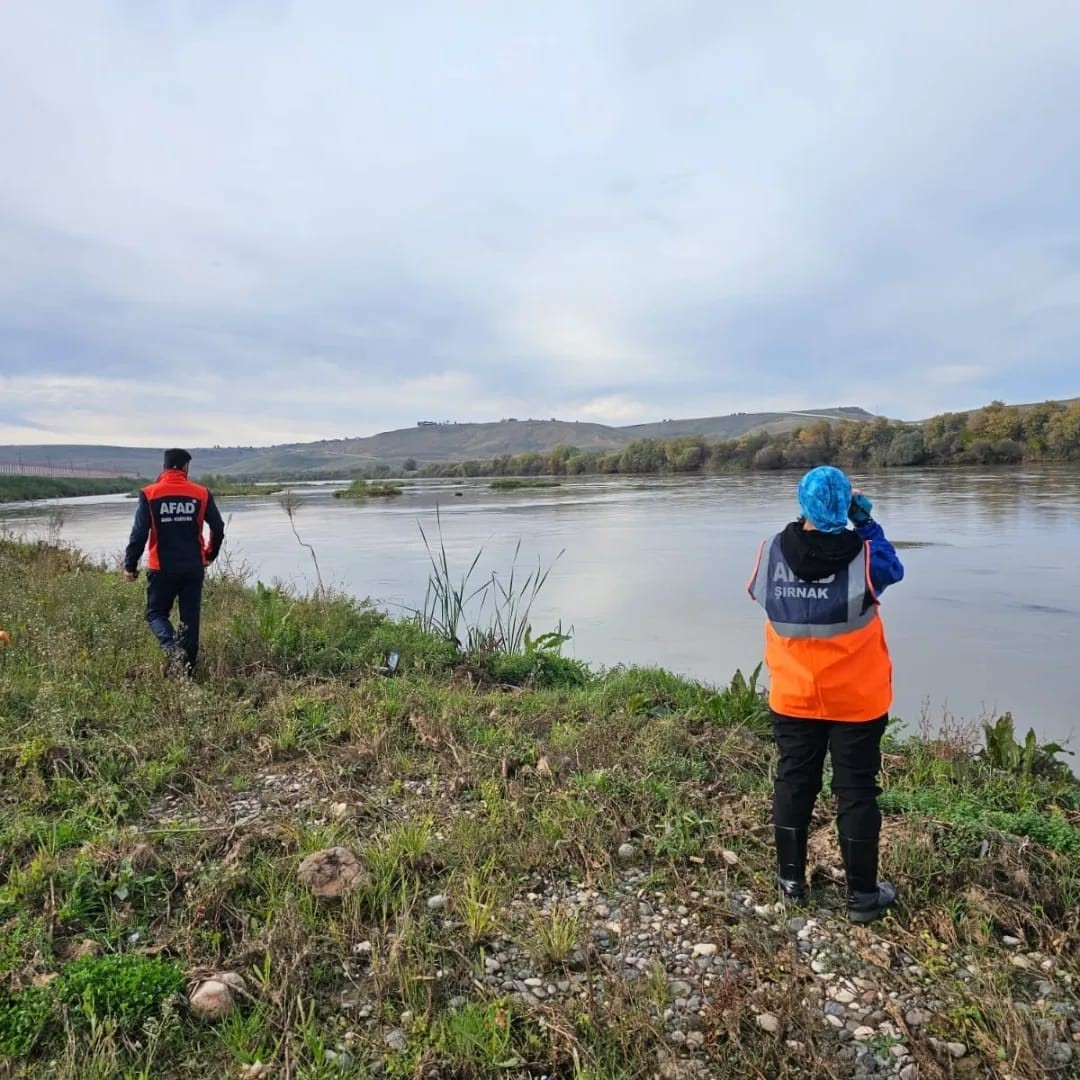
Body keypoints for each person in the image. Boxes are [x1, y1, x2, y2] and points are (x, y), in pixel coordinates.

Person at [747, 465, 904, 923]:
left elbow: (758, 593)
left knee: (794, 781)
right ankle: (862, 898)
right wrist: (867, 522)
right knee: (856, 791)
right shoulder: (868, 554)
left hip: (793, 695)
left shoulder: (772, 550)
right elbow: (895, 567)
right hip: (857, 700)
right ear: (845, 507)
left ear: (802, 505)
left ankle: (791, 882)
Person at [123, 449, 225, 675]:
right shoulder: (201, 493)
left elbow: (139, 533)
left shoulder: (150, 494)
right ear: (186, 467)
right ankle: (187, 671)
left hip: (162, 568)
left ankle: (170, 647)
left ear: (165, 466)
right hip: (192, 567)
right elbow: (217, 527)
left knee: (156, 613)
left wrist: (130, 565)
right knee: (190, 621)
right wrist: (209, 554)